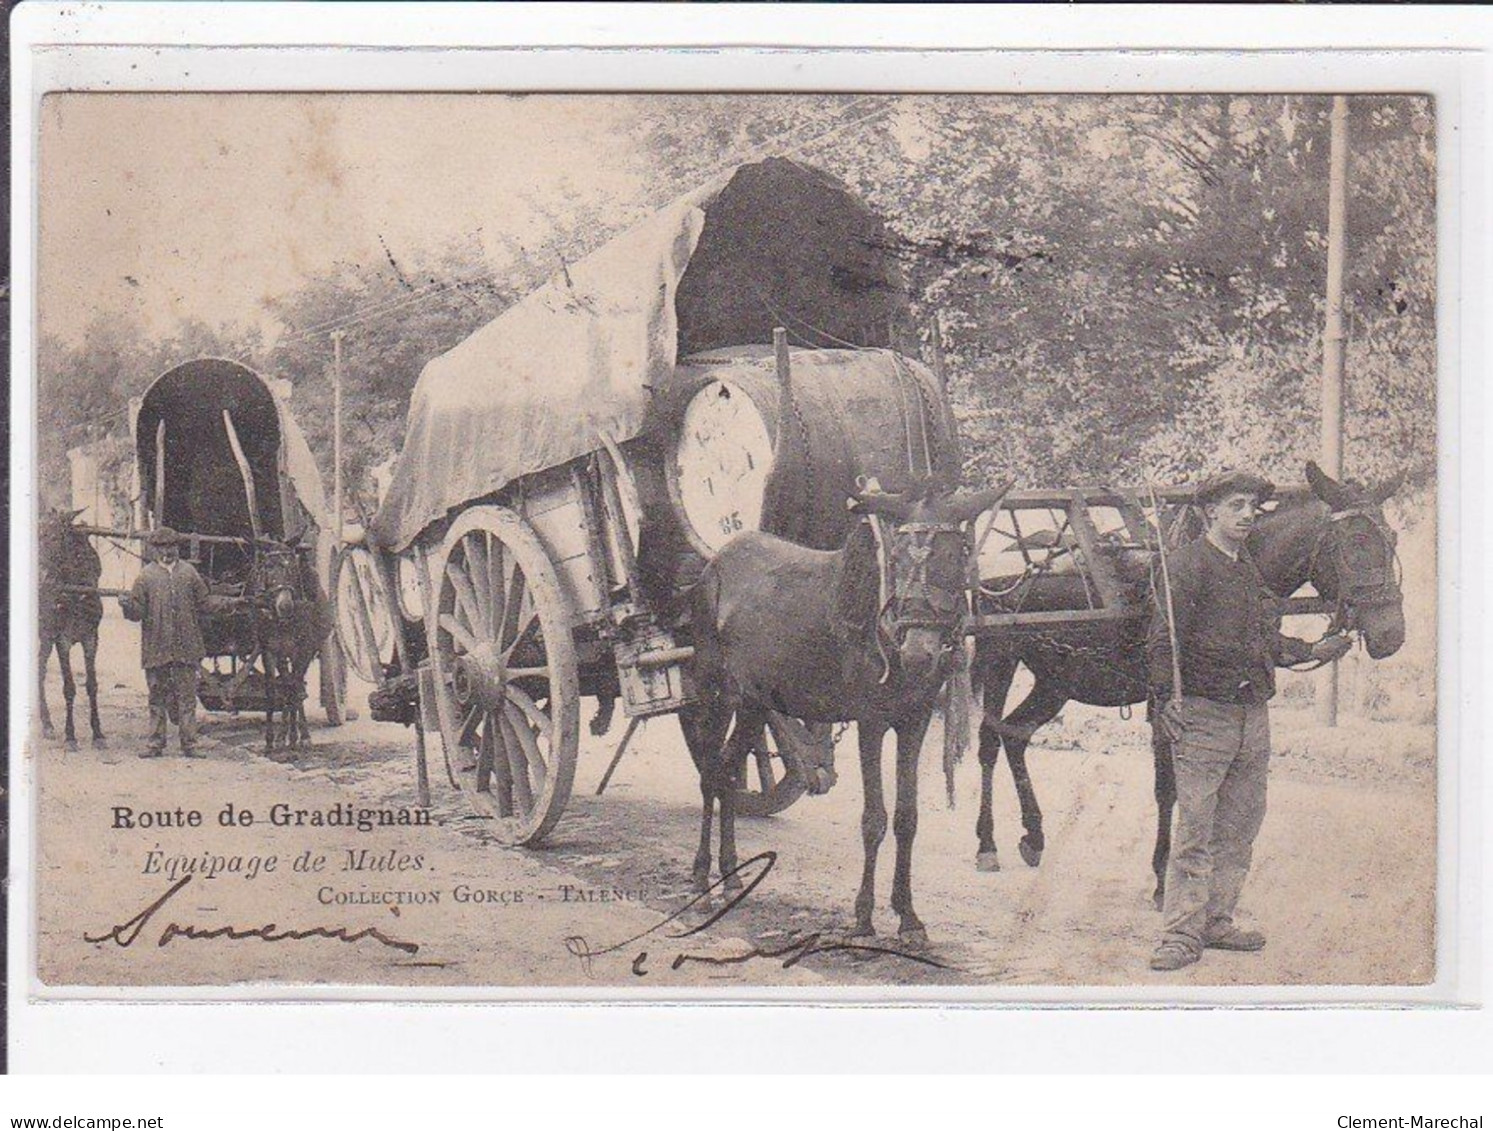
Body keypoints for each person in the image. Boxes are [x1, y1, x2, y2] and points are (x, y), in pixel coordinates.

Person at [1147, 471, 1352, 972]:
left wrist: (1313, 650)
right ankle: (1179, 934)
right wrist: (1163, 702)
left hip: (1252, 715)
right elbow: (1160, 642)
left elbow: (1267, 641)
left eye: (1252, 507)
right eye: (1235, 505)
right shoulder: (1185, 567)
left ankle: (1216, 920)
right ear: (1208, 513)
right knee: (1195, 827)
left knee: (1239, 825)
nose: (1245, 515)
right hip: (1203, 712)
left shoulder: (1249, 572)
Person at [119, 528, 216, 759]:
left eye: (171, 547)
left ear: (177, 548)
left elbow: (204, 602)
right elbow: (137, 613)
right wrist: (127, 606)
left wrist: (223, 604)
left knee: (187, 698)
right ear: (155, 550)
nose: (167, 552)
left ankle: (189, 744)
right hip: (157, 647)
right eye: (162, 548)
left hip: (186, 646)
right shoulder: (146, 576)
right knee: (156, 697)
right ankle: (155, 744)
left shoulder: (189, 573)